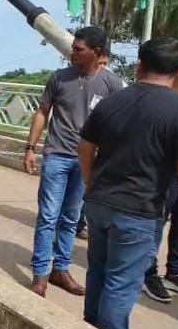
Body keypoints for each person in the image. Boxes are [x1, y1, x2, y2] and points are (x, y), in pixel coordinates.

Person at [79, 37, 178, 329]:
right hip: (139, 212)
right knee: (121, 283)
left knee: (98, 272)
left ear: (140, 64)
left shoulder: (113, 101)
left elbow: (86, 147)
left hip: (99, 202)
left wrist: (91, 183)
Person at [24, 27, 125, 298]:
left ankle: (61, 269)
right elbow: (43, 112)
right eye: (74, 47)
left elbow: (117, 127)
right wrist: (31, 148)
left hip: (87, 162)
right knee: (48, 216)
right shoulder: (59, 78)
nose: (73, 52)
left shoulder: (112, 85)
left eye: (79, 49)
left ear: (98, 52)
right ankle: (41, 274)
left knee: (70, 219)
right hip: (56, 155)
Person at [142, 45, 178, 303]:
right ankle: (149, 272)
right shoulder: (162, 96)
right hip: (165, 172)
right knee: (156, 223)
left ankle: (176, 271)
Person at [75, 44, 124, 241]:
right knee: (80, 188)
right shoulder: (82, 83)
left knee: (89, 189)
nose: (103, 67)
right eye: (100, 63)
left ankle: (81, 223)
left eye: (106, 63)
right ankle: (75, 223)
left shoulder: (114, 86)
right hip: (82, 145)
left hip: (102, 148)